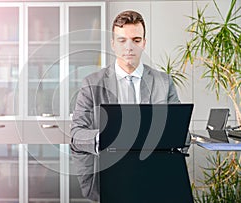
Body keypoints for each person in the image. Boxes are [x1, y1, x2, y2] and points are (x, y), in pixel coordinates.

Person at [70, 10, 184, 201]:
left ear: (144, 43)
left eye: (136, 40)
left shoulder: (164, 82)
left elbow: (182, 134)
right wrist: (106, 138)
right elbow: (76, 134)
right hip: (107, 174)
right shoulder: (92, 83)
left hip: (153, 174)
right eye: (122, 40)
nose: (129, 47)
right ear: (113, 44)